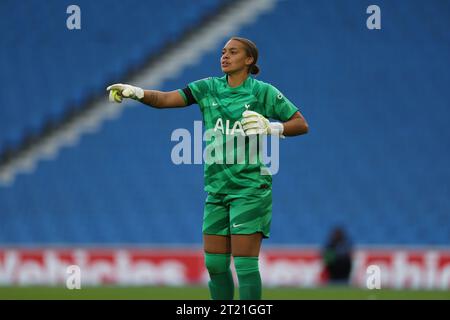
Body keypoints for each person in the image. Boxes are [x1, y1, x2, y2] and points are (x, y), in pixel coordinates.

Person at [106, 37, 309, 299]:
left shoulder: (263, 92)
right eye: (223, 52)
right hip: (217, 190)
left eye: (233, 52)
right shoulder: (207, 88)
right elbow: (167, 99)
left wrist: (271, 127)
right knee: (214, 265)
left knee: (245, 265)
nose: (224, 56)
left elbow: (301, 124)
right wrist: (136, 92)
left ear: (249, 60)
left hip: (249, 189)